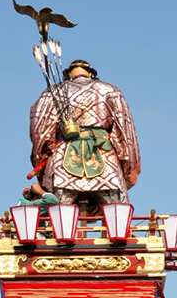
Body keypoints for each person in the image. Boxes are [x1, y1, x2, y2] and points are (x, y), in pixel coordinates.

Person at [30, 59, 141, 208]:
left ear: (68, 74)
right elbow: (125, 129)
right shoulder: (110, 90)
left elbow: (39, 127)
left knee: (57, 217)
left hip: (63, 159)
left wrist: (44, 155)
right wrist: (125, 163)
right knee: (118, 213)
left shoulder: (53, 92)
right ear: (90, 73)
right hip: (105, 158)